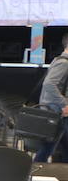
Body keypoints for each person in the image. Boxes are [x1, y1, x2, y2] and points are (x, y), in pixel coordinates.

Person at [35, 34, 68, 162]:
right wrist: (64, 103)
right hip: (57, 114)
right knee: (47, 149)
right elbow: (49, 84)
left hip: (57, 113)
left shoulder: (59, 60)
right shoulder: (63, 62)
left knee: (51, 148)